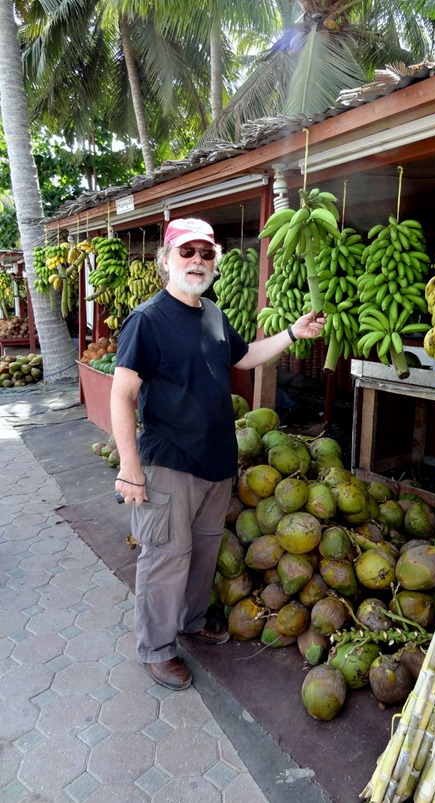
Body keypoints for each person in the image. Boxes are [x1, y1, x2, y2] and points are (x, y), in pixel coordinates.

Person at [111, 217, 325, 691]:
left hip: (216, 462)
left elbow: (243, 356)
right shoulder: (147, 320)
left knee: (203, 552)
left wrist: (292, 333)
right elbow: (122, 394)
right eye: (187, 252)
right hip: (169, 462)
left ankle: (187, 623)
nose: (197, 261)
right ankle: (156, 648)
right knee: (166, 556)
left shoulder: (211, 312)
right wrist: (130, 468)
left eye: (206, 254)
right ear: (166, 260)